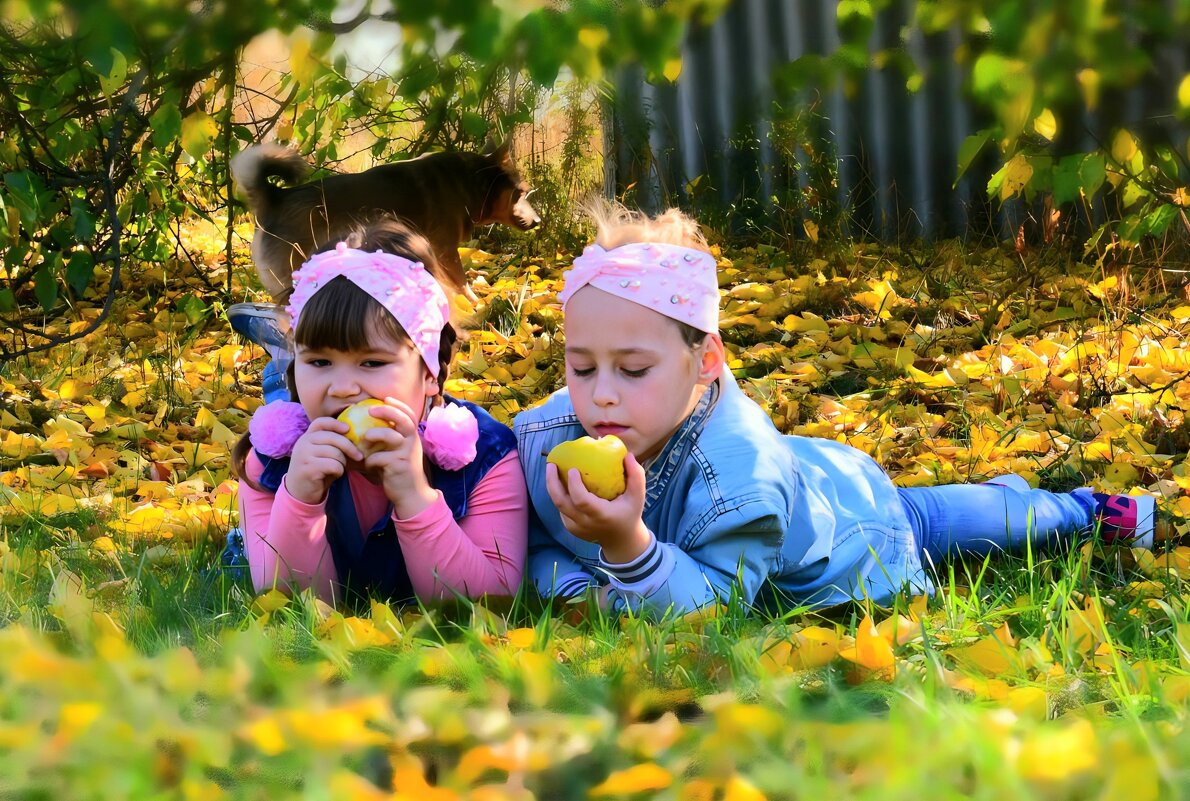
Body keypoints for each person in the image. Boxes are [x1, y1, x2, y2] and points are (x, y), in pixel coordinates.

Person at [513, 202, 1170, 616]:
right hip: (814, 472)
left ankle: (1083, 511)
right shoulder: (554, 436)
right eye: (580, 365)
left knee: (946, 520)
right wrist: (575, 592)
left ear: (705, 361)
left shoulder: (736, 478)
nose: (600, 393)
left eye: (632, 369)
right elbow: (534, 541)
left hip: (859, 526)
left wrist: (625, 545)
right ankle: (1019, 497)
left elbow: (710, 607)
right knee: (943, 506)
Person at [232, 219, 528, 606]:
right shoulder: (273, 461)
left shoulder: (485, 457)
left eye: (371, 363)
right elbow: (289, 607)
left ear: (429, 372)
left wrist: (415, 496)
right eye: (320, 361)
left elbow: (489, 605)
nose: (342, 388)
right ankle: (280, 361)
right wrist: (300, 499)